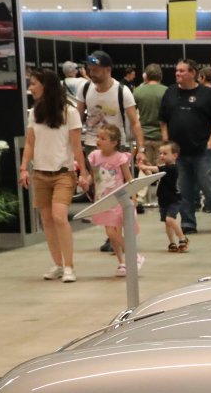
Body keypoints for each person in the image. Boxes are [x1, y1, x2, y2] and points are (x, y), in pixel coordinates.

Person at [18, 68, 89, 282]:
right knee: (47, 220)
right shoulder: (34, 113)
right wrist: (24, 168)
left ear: (45, 85)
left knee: (59, 217)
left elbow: (76, 146)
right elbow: (30, 143)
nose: (30, 88)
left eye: (34, 84)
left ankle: (69, 265)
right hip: (40, 172)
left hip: (63, 173)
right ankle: (57, 264)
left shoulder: (70, 112)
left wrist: (83, 172)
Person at [158, 59, 211, 233]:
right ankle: (188, 222)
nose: (177, 73)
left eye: (182, 71)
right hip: (178, 152)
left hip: (202, 150)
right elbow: (163, 120)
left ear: (193, 73)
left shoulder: (207, 94)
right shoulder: (170, 92)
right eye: (177, 70)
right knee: (184, 189)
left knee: (208, 186)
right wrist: (166, 142)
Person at [87, 125, 141, 277]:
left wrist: (133, 195)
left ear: (114, 142)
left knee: (113, 232)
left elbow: (128, 177)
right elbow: (95, 176)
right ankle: (122, 261)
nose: (98, 140)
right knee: (111, 234)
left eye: (103, 138)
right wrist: (86, 181)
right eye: (98, 137)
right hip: (102, 200)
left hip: (117, 200)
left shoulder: (119, 158)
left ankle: (133, 256)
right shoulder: (94, 156)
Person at [141, 140, 186, 252]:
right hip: (163, 199)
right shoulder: (164, 168)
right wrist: (145, 168)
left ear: (174, 156)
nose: (162, 156)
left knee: (170, 219)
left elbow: (157, 169)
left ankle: (182, 238)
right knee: (167, 223)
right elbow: (154, 176)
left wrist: (145, 166)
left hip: (174, 199)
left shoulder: (172, 168)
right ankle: (172, 242)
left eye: (165, 153)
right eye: (160, 153)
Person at [133, 64, 167, 168]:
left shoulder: (137, 91)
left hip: (143, 138)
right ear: (161, 76)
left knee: (145, 171)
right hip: (162, 138)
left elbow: (132, 117)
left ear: (145, 76)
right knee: (162, 171)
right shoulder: (168, 91)